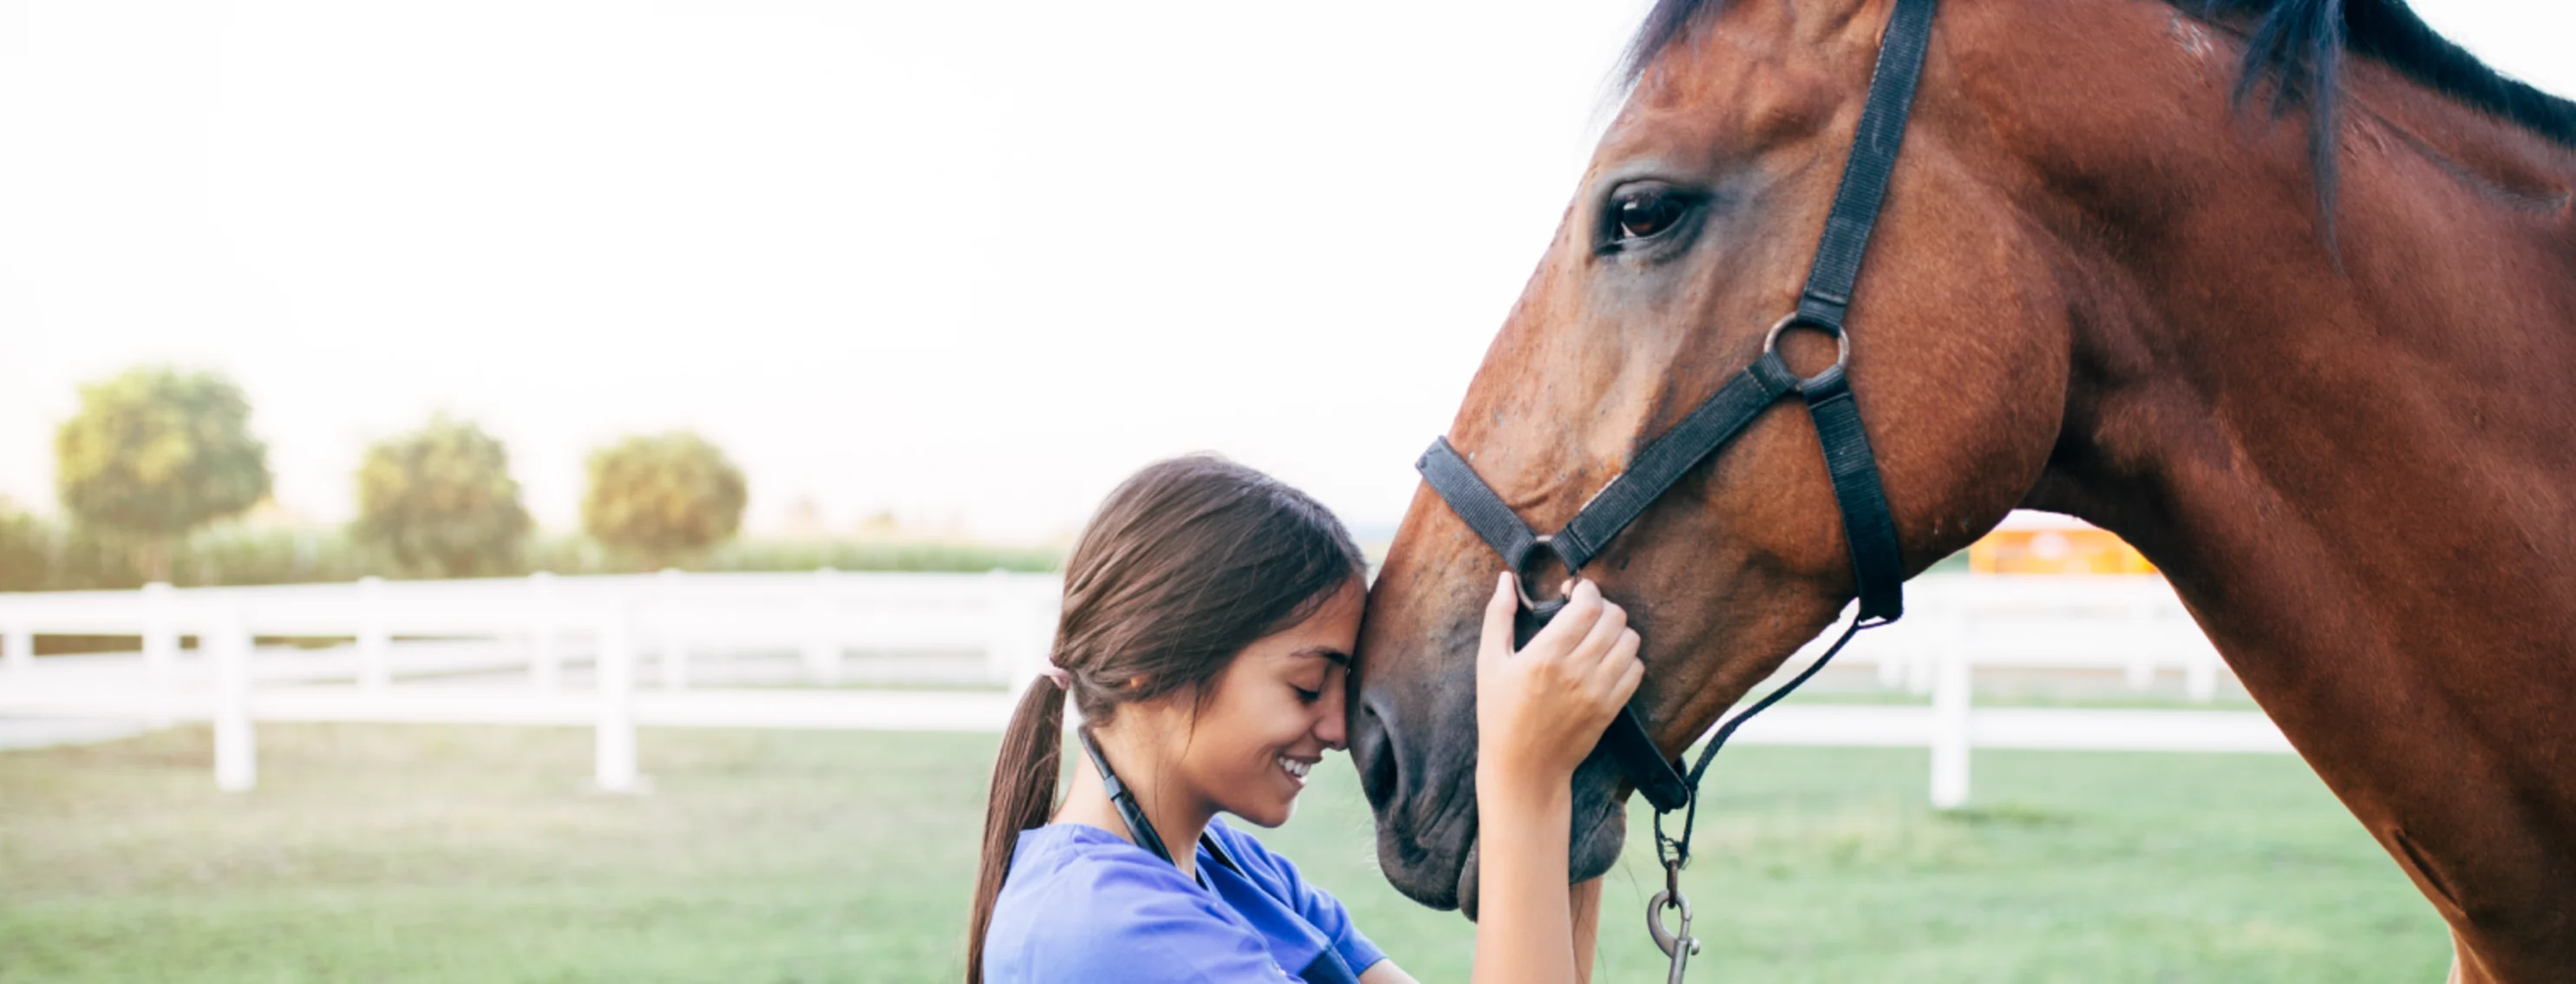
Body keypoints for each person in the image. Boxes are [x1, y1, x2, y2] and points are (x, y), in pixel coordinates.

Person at [966, 455, 1644, 983]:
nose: (1338, 730)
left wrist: (1575, 770)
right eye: (1306, 685)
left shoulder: (1234, 871)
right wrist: (1526, 779)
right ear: (1150, 668)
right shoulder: (1106, 931)